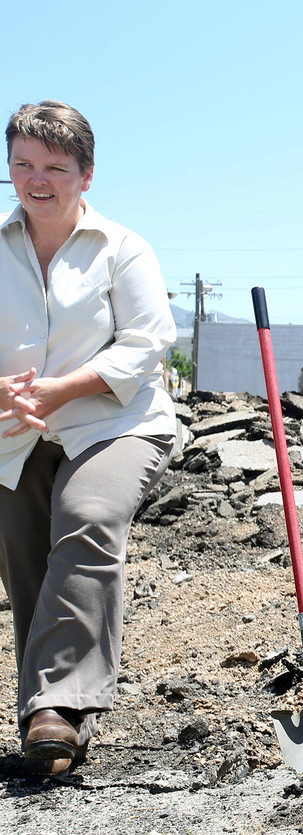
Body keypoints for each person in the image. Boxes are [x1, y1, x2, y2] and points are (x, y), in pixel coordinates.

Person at [0, 101, 176, 775]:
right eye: (22, 163)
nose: (36, 179)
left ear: (86, 174)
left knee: (88, 516)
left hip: (114, 420)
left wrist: (63, 387)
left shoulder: (121, 249)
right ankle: (51, 724)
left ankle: (55, 707)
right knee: (26, 563)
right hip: (15, 427)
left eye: (54, 167)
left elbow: (147, 344)